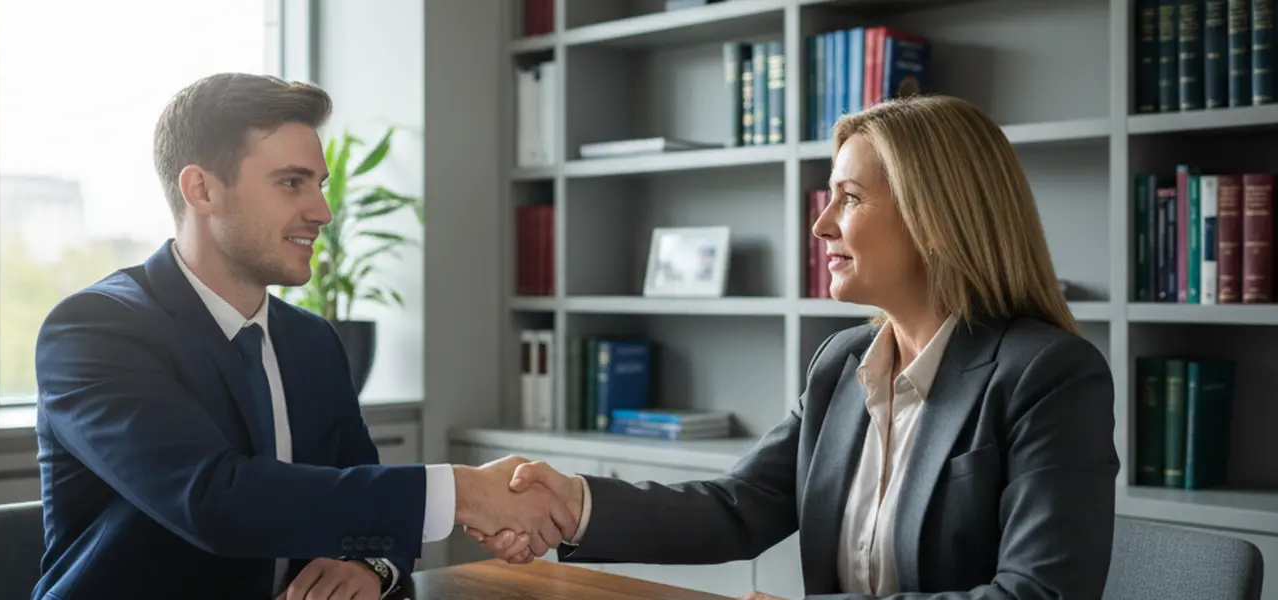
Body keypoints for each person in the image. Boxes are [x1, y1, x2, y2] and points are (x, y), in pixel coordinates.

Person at [472, 94, 1120, 599]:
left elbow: (1040, 593)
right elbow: (735, 509)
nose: (821, 225)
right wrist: (572, 504)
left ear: (936, 218)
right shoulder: (842, 363)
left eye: (851, 199)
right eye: (827, 198)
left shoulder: (1049, 375)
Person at [31, 73, 574, 600]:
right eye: (292, 183)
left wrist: (369, 566)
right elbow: (216, 501)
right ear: (201, 189)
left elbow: (363, 495)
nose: (322, 212)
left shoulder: (312, 341)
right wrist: (465, 493)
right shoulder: (94, 331)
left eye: (320, 185)